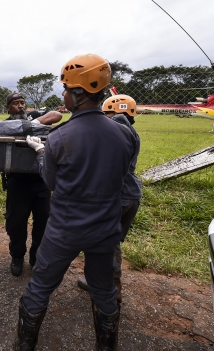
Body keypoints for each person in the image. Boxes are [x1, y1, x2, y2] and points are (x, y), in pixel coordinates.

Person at [13, 54, 137, 351]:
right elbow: (121, 176)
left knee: (40, 288)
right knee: (104, 291)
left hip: (65, 231)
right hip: (105, 229)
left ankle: (23, 346)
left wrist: (41, 153)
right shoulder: (125, 134)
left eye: (66, 89)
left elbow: (52, 182)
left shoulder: (59, 137)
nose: (63, 94)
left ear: (79, 94)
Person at [77, 94, 142, 307]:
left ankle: (110, 292)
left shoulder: (118, 129)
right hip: (131, 195)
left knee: (104, 244)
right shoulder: (132, 132)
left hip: (117, 196)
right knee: (112, 243)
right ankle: (103, 284)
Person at [3, 92, 61, 276]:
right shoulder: (5, 124)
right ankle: (17, 256)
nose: (20, 106)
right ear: (8, 108)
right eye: (15, 103)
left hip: (41, 180)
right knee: (16, 222)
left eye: (22, 103)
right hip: (17, 181)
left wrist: (35, 123)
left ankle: (36, 258)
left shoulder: (34, 116)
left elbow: (57, 115)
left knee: (43, 223)